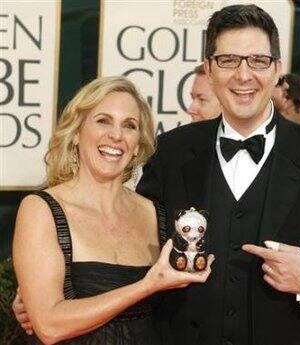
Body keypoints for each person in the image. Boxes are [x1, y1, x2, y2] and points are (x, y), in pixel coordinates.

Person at [136, 4, 300, 345]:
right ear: (209, 68)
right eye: (229, 60)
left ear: (277, 69)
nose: (243, 75)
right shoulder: (170, 151)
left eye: (258, 61)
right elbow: (131, 245)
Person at [12, 76, 213, 344]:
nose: (116, 135)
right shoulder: (41, 210)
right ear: (76, 134)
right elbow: (49, 326)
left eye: (129, 126)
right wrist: (146, 286)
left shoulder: (158, 213)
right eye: (103, 120)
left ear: (138, 146)